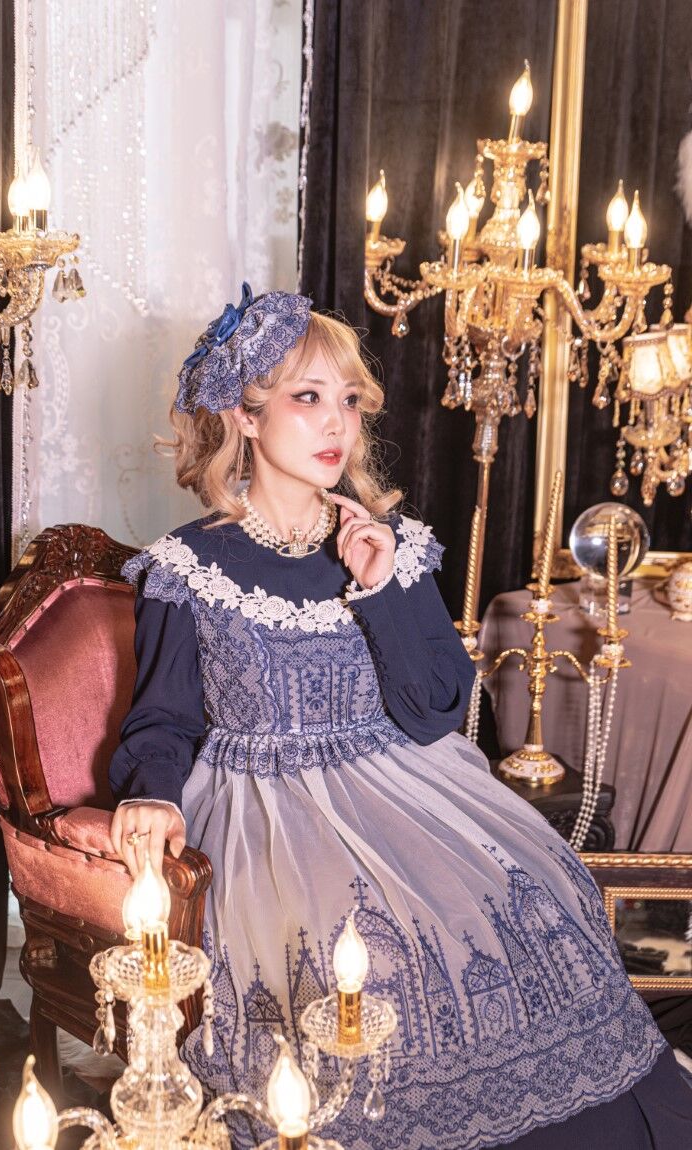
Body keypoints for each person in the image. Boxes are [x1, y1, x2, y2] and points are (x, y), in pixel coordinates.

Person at [108, 284, 692, 1149]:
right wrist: (154, 793)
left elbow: (438, 712)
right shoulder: (186, 567)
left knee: (531, 897)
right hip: (265, 815)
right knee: (357, 955)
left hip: (406, 783)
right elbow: (162, 718)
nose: (335, 424)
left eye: (349, 401)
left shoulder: (389, 541)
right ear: (245, 415)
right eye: (308, 398)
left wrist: (380, 587)